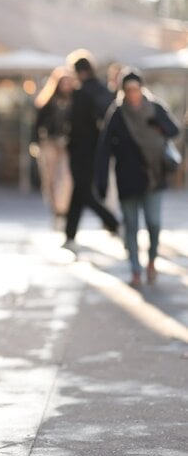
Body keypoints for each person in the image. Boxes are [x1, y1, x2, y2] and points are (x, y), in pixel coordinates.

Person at [96, 69, 180, 286]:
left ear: (141, 88)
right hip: (127, 178)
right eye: (129, 89)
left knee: (153, 223)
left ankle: (151, 260)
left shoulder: (155, 107)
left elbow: (174, 130)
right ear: (123, 91)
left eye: (136, 89)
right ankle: (135, 269)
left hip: (154, 177)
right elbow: (104, 148)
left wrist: (157, 124)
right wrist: (102, 180)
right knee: (131, 225)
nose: (133, 94)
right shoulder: (117, 114)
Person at [63, 50, 119, 247]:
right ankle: (69, 234)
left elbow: (75, 125)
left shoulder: (81, 94)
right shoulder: (103, 90)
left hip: (81, 151)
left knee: (83, 192)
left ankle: (112, 221)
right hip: (99, 149)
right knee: (79, 191)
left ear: (78, 71)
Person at [31, 67, 74, 222]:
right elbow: (37, 124)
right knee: (49, 177)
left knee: (65, 177)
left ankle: (62, 209)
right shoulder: (48, 101)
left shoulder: (75, 101)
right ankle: (55, 208)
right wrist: (35, 141)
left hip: (66, 144)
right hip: (48, 143)